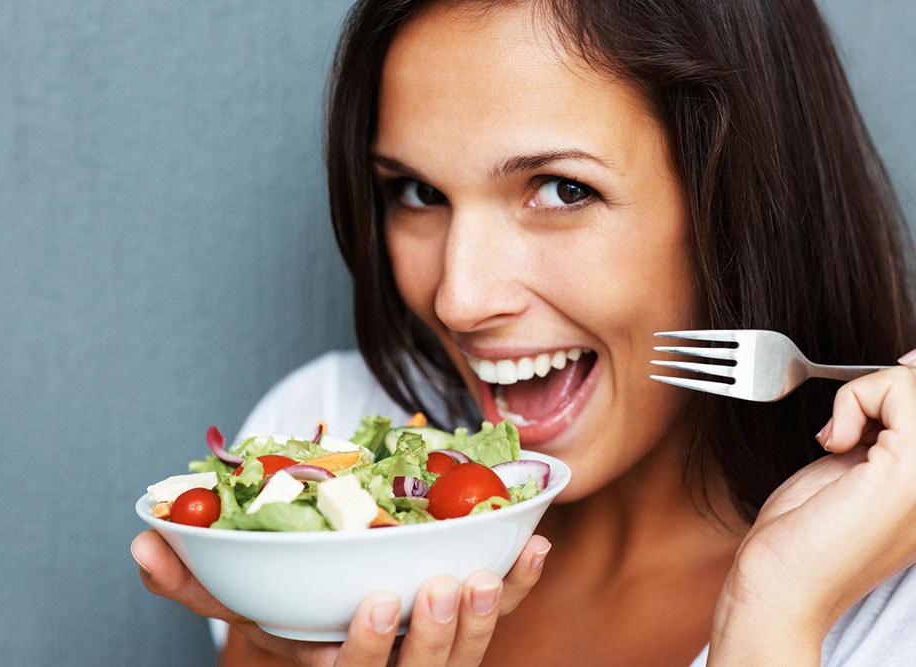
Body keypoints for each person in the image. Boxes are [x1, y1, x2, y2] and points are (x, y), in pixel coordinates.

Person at [131, 0, 916, 664]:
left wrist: (774, 612)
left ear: (741, 202)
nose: (459, 298)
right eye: (416, 191)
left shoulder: (889, 604)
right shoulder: (318, 455)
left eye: (562, 188)